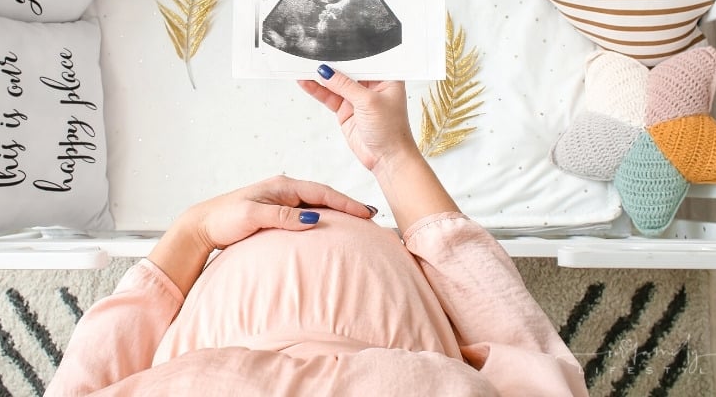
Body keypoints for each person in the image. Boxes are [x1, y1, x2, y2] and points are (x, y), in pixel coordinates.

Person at [46, 65, 588, 396]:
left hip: (217, 280)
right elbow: (529, 360)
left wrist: (195, 231)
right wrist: (396, 159)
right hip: (414, 294)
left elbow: (90, 376)